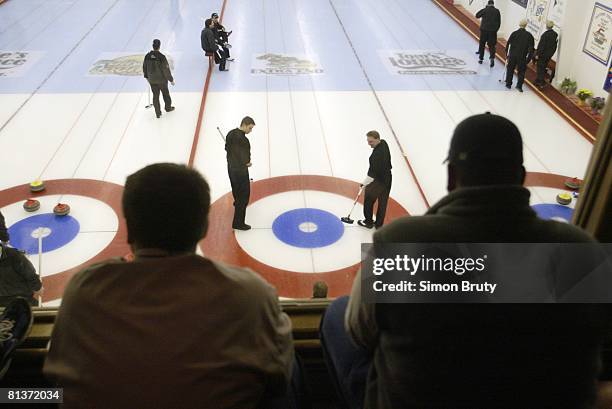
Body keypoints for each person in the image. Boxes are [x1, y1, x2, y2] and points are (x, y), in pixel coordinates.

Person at [321, 113, 609, 409]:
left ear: (452, 176)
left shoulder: (400, 243)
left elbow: (359, 332)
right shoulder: (581, 249)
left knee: (338, 313)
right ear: (521, 176)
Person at [44, 163, 294, 409]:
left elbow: (56, 383)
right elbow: (279, 376)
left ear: (130, 230)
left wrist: (10, 396)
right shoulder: (250, 293)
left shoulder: (84, 290)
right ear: (204, 227)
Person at [0, 218, 41, 307]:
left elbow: (30, 274)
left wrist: (37, 286)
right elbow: (30, 274)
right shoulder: (14, 255)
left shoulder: (13, 255)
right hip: (22, 299)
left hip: (20, 298)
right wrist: (38, 287)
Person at [226, 116, 255, 230]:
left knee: (236, 189)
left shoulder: (230, 134)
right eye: (250, 128)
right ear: (244, 124)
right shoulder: (244, 140)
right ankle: (238, 223)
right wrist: (248, 163)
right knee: (244, 196)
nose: (250, 131)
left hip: (231, 168)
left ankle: (236, 202)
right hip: (241, 172)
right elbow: (246, 159)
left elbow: (226, 148)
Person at [358, 131, 392, 230]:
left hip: (378, 181)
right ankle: (379, 225)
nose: (369, 144)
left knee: (368, 200)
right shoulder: (384, 143)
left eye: (371, 142)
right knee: (383, 203)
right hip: (388, 178)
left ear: (377, 139)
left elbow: (371, 176)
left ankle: (368, 222)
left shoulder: (375, 157)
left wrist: (363, 184)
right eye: (368, 141)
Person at [142, 39, 175, 118]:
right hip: (162, 80)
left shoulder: (147, 56)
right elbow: (166, 70)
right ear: (159, 46)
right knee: (165, 94)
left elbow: (144, 68)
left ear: (153, 46)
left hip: (152, 80)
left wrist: (146, 77)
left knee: (155, 96)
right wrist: (171, 79)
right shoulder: (162, 57)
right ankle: (168, 108)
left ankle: (158, 113)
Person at [505, 19, 535, 92]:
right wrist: (528, 59)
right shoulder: (529, 36)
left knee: (510, 69)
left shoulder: (514, 33)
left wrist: (507, 54)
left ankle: (508, 83)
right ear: (526, 25)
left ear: (519, 25)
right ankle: (519, 86)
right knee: (521, 71)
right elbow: (531, 49)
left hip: (512, 55)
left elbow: (508, 44)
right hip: (522, 57)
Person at [475, 0, 501, 67]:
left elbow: (477, 15)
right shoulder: (497, 11)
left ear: (488, 4)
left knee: (482, 44)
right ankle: (492, 58)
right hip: (492, 32)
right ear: (493, 4)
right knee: (492, 46)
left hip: (484, 30)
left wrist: (485, 8)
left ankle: (481, 59)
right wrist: (495, 30)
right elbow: (499, 22)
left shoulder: (485, 10)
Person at [534, 21, 558, 87]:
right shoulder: (555, 35)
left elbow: (541, 46)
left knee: (540, 68)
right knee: (543, 66)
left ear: (547, 26)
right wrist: (551, 54)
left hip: (542, 55)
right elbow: (554, 46)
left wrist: (537, 54)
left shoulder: (545, 35)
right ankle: (538, 80)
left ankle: (541, 82)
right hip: (548, 55)